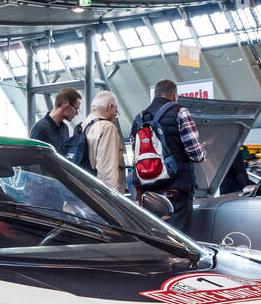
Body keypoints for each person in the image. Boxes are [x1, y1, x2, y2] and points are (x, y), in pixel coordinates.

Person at [131, 78, 207, 231]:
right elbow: (196, 154)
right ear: (174, 95)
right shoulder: (180, 112)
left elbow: (136, 151)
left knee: (156, 235)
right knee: (178, 238)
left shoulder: (139, 119)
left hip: (149, 191)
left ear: (155, 95)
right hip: (177, 188)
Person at [74, 91, 126, 193]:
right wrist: (112, 202)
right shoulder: (107, 127)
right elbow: (107, 172)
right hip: (98, 197)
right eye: (116, 111)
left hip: (81, 192)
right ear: (110, 106)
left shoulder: (81, 126)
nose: (116, 115)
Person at [30, 87, 81, 151]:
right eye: (76, 109)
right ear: (66, 105)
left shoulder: (65, 128)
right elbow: (32, 157)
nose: (77, 113)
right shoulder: (40, 128)